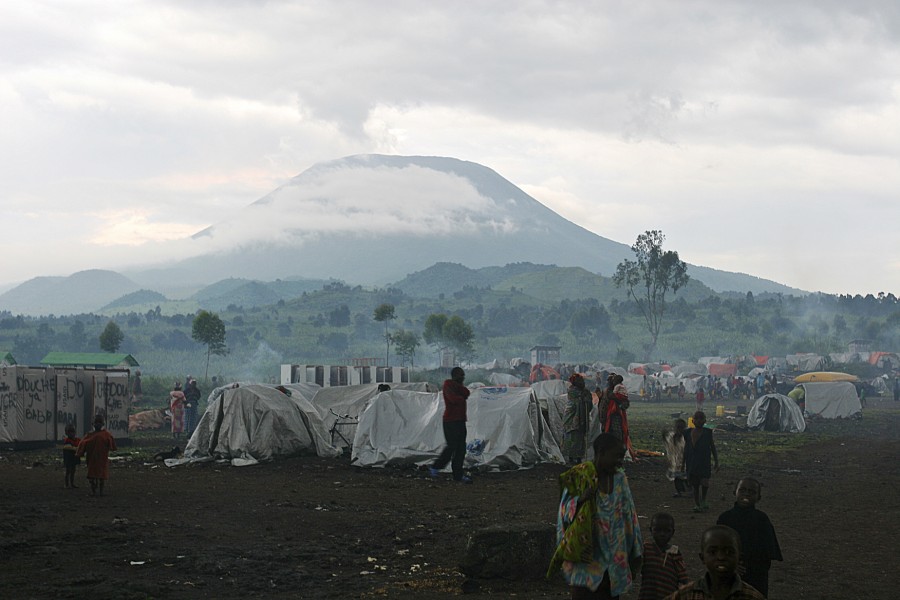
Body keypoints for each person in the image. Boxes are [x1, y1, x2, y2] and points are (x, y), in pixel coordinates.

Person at [547, 433, 643, 599]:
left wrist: (633, 552)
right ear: (601, 452)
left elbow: (630, 517)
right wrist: (581, 499)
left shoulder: (620, 479)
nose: (620, 461)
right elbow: (563, 513)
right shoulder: (579, 476)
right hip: (586, 560)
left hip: (614, 557)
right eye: (617, 457)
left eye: (622, 457)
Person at [716, 478, 782, 598]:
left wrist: (749, 567)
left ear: (759, 497)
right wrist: (731, 565)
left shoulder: (762, 520)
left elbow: (767, 553)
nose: (746, 494)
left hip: (755, 575)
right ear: (734, 492)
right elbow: (716, 547)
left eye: (752, 492)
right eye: (742, 490)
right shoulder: (725, 519)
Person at [663, 525, 765, 600]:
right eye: (713, 552)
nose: (721, 557)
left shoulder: (751, 596)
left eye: (729, 552)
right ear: (702, 558)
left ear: (739, 557)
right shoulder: (685, 595)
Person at [429, 367, 472, 483]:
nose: (463, 377)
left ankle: (458, 475)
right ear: (455, 376)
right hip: (450, 421)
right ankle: (436, 467)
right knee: (452, 446)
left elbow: (466, 393)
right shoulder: (447, 384)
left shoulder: (457, 387)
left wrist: (460, 392)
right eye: (461, 375)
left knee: (461, 449)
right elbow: (454, 399)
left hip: (461, 420)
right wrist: (461, 395)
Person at [638, 512, 688, 600]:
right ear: (651, 530)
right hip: (647, 595)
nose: (662, 534)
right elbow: (636, 566)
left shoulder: (674, 552)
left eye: (667, 531)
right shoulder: (646, 549)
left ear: (673, 532)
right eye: (657, 530)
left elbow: (683, 577)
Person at [683, 411, 718, 513]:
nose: (699, 420)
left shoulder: (707, 433)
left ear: (705, 421)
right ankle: (697, 503)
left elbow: (712, 447)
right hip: (692, 462)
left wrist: (716, 461)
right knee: (695, 485)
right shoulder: (687, 433)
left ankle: (703, 500)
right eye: (696, 418)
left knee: (705, 482)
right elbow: (686, 448)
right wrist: (683, 463)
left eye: (701, 418)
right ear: (692, 420)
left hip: (704, 462)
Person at [75, 414, 117, 497]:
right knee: (91, 477)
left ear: (103, 424)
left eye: (99, 422)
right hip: (92, 459)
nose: (98, 424)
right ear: (93, 424)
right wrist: (79, 453)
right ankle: (93, 491)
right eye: (96, 422)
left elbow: (112, 445)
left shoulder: (106, 435)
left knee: (101, 477)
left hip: (102, 459)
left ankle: (101, 492)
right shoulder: (89, 435)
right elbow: (82, 445)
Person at [600, 374, 633, 458]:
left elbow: (626, 403)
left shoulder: (617, 392)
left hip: (616, 417)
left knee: (617, 435)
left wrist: (619, 403)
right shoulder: (606, 392)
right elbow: (601, 405)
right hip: (607, 417)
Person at [563, 373, 593, 464]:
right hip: (576, 416)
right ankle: (574, 458)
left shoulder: (578, 391)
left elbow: (588, 404)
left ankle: (575, 458)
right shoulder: (578, 391)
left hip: (575, 416)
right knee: (575, 437)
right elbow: (587, 403)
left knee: (575, 436)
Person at [662, 419, 689, 497]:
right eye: (678, 427)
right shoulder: (672, 437)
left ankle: (689, 490)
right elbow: (667, 442)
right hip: (675, 462)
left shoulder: (686, 438)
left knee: (686, 478)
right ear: (675, 428)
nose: (680, 429)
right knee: (677, 478)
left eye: (682, 428)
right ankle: (679, 492)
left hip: (684, 462)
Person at [62, 424, 81, 489]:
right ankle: (67, 484)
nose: (71, 433)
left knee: (73, 471)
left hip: (73, 458)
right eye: (69, 432)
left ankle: (72, 483)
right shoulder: (67, 440)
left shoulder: (77, 440)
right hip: (68, 458)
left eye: (72, 432)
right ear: (67, 433)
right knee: (68, 471)